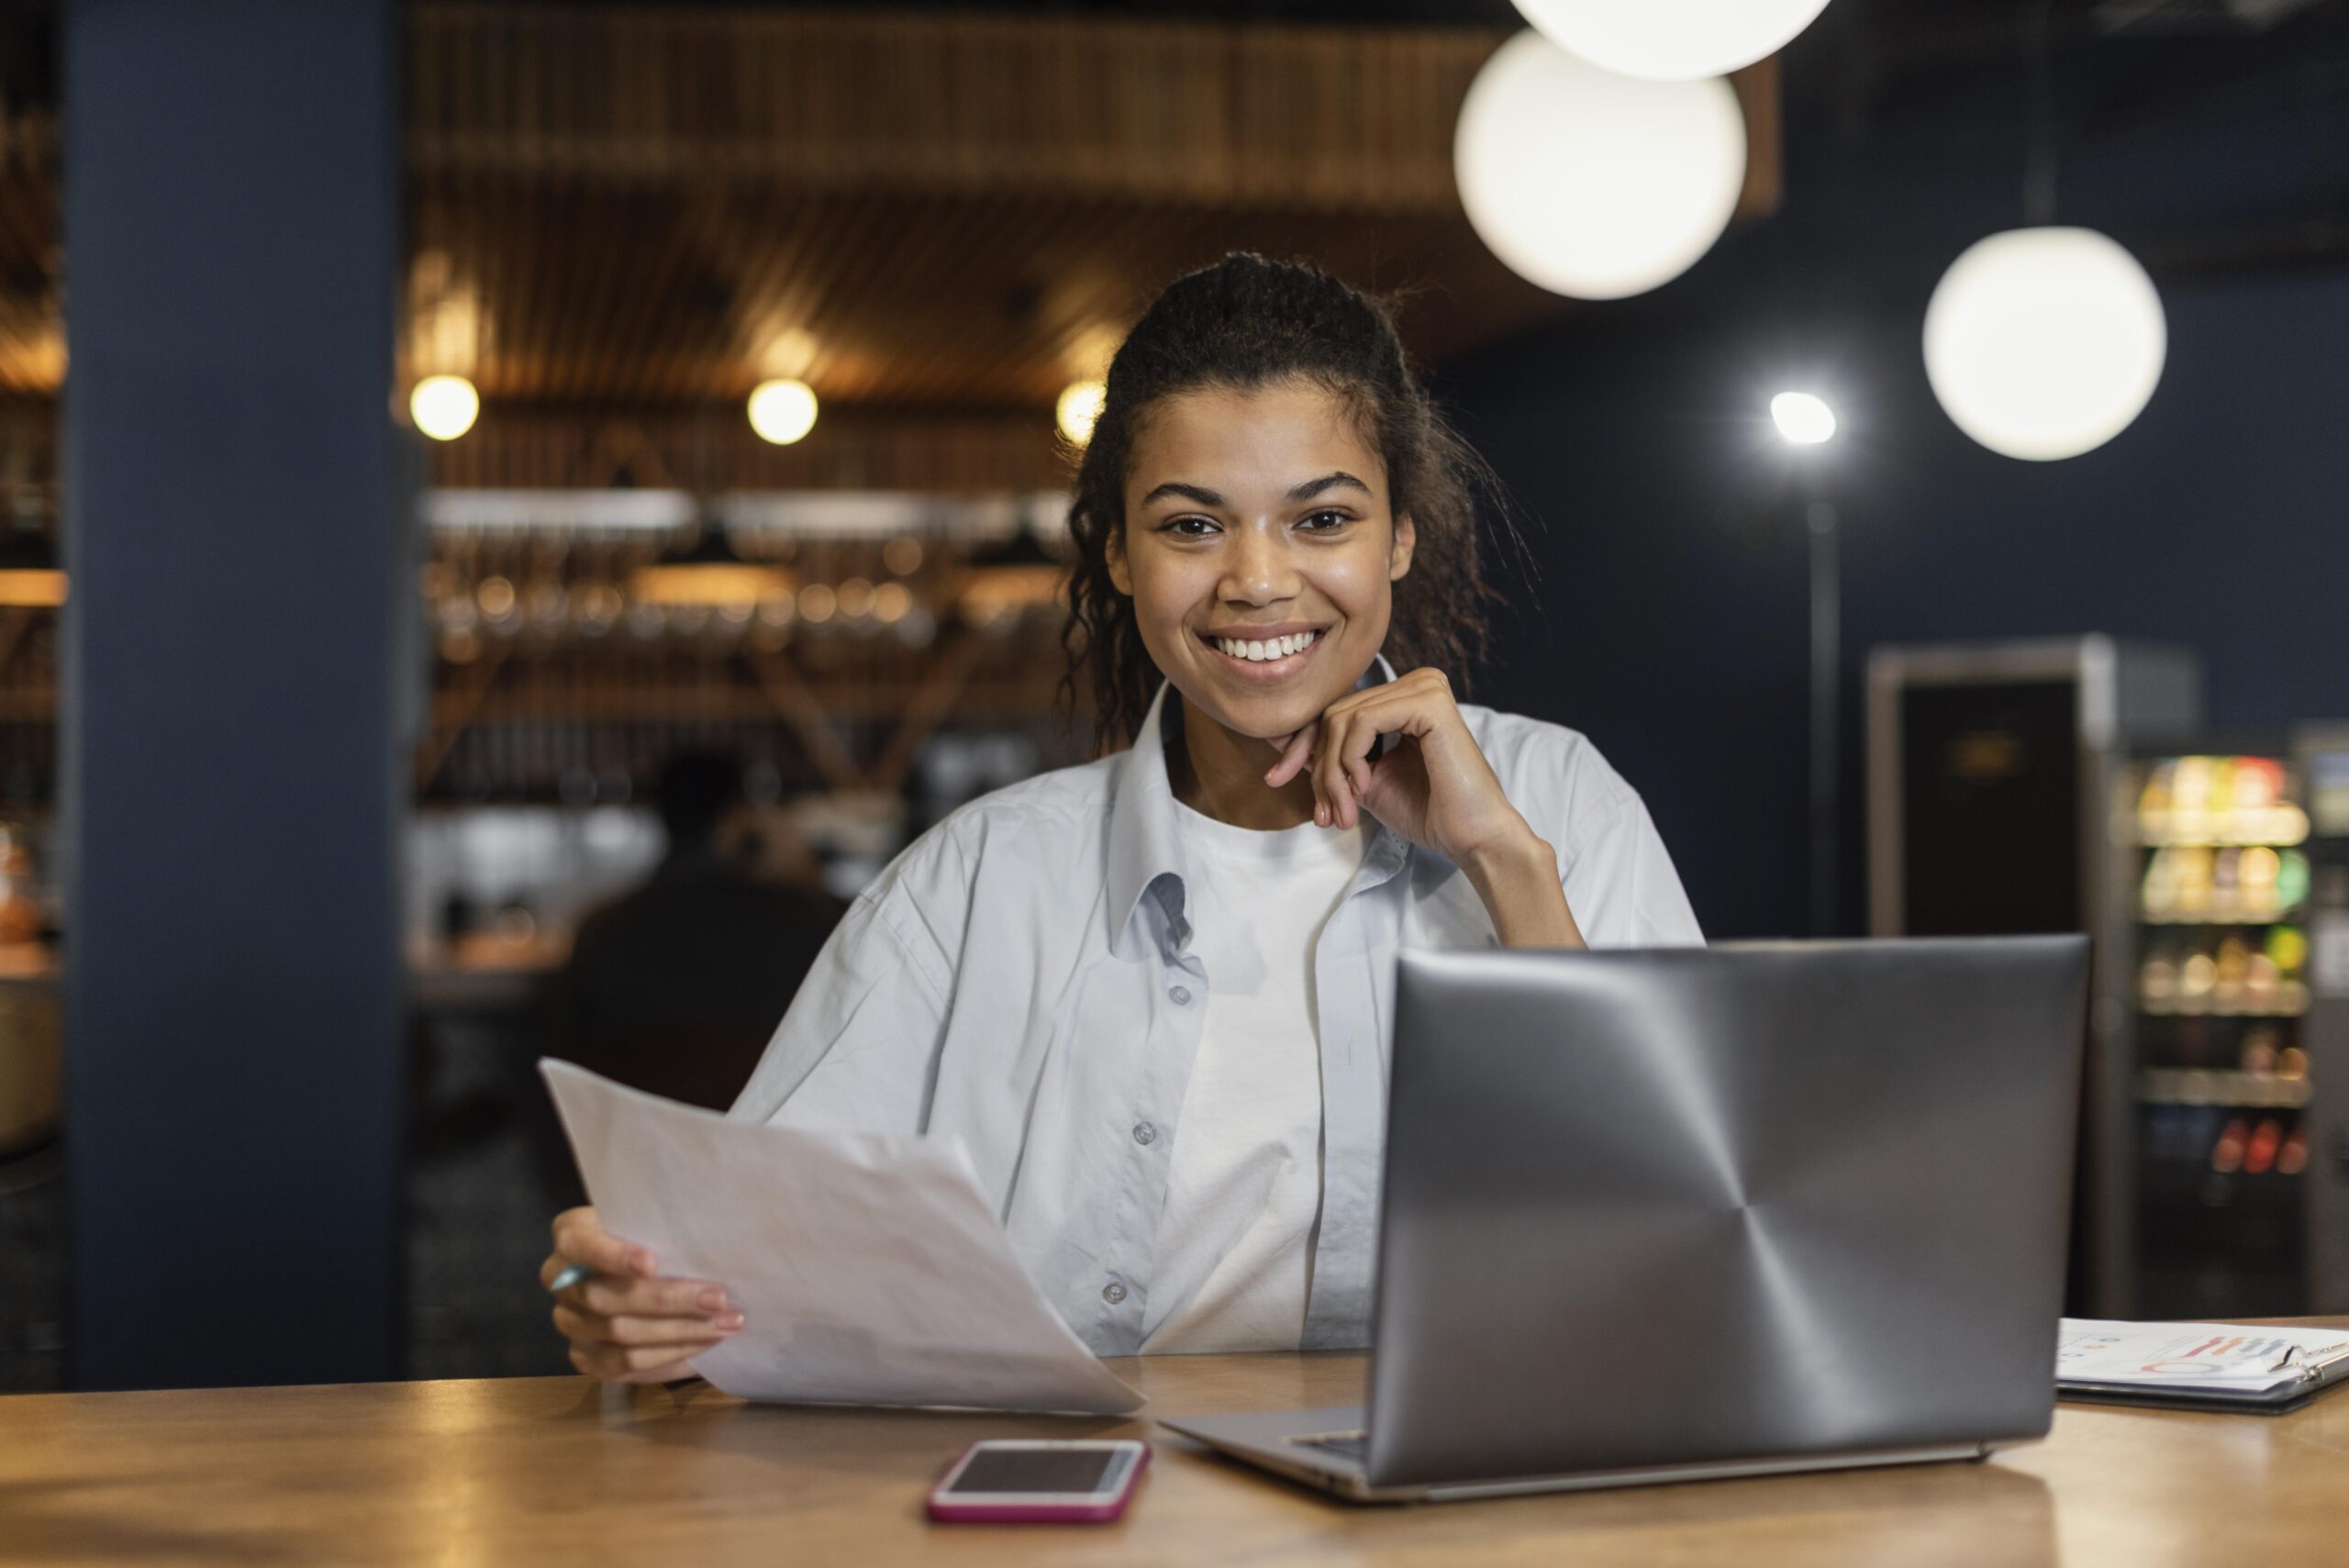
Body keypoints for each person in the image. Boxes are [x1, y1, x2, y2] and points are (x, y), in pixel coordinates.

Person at [540, 254, 1703, 1383]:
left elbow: (1686, 1230)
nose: (1255, 580)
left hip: (1469, 1499)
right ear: (1118, 549)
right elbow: (739, 1258)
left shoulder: (1557, 808)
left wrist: (1503, 863)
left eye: (1321, 520)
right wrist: (637, 1303)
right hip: (1085, 1509)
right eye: (1193, 525)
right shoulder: (977, 878)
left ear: (1398, 536)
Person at [545, 751, 845, 1118]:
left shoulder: (602, 930)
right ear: (738, 822)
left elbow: (563, 1056)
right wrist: (806, 873)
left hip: (635, 1157)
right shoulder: (804, 918)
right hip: (767, 1157)